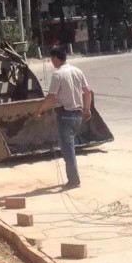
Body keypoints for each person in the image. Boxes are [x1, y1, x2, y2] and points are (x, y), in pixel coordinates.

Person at [34, 45, 91, 188]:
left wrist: (40, 110)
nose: (51, 63)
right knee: (69, 146)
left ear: (55, 58)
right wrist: (87, 109)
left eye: (51, 59)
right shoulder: (77, 71)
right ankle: (73, 178)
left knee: (67, 149)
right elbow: (87, 92)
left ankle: (73, 180)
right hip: (77, 115)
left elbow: (51, 96)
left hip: (65, 115)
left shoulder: (58, 74)